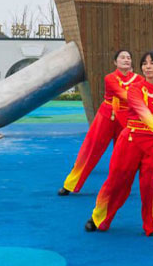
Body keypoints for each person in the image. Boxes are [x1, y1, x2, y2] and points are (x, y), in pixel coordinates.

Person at [85, 51, 153, 236]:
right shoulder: (135, 88)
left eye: (152, 63)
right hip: (131, 140)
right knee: (117, 182)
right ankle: (98, 217)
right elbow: (143, 112)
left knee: (149, 185)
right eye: (144, 63)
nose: (147, 66)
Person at [58, 50, 139, 195]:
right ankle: (70, 184)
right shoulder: (110, 78)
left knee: (124, 154)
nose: (126, 60)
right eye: (122, 57)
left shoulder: (138, 79)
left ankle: (119, 186)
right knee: (90, 150)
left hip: (126, 119)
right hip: (107, 116)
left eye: (129, 58)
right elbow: (124, 95)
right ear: (115, 62)